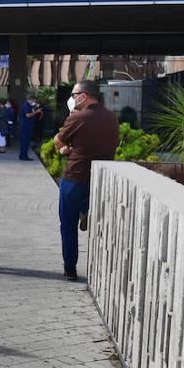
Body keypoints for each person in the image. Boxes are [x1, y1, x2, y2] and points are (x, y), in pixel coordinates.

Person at [53, 80, 119, 280]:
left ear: (84, 96)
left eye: (74, 94)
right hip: (100, 178)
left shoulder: (78, 117)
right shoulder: (111, 118)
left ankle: (70, 268)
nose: (72, 98)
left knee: (67, 224)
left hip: (75, 176)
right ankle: (85, 210)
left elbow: (58, 140)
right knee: (96, 222)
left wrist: (65, 148)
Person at [18, 95, 43, 160]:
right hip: (25, 126)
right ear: (31, 99)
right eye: (34, 100)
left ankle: (23, 155)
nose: (34, 102)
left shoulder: (28, 105)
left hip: (27, 126)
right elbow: (28, 115)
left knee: (26, 142)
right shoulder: (26, 105)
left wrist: (35, 109)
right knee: (25, 142)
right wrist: (36, 112)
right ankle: (24, 156)